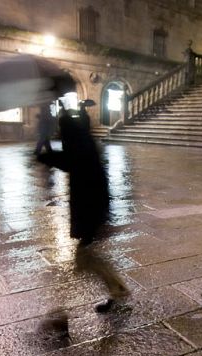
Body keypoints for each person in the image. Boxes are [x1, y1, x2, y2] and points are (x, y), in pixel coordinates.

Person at [41, 101, 129, 312]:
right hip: (91, 213)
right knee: (85, 258)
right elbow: (67, 160)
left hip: (91, 213)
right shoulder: (84, 145)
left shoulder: (80, 149)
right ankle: (117, 290)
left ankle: (117, 291)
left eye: (63, 134)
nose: (63, 138)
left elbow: (68, 161)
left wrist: (44, 152)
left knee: (85, 258)